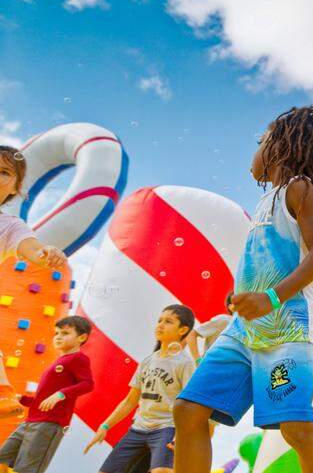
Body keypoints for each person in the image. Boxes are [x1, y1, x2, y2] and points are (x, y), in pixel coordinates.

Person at [173, 106, 313, 473]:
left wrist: (269, 298)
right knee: (188, 411)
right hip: (243, 330)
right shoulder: (268, 199)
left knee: (296, 429)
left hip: (286, 326)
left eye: (260, 142)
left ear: (280, 146)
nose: (254, 151)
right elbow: (264, 264)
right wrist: (243, 297)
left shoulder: (300, 188)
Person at [0, 145, 69, 418]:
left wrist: (45, 254)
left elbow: (30, 247)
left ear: (16, 188)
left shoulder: (9, 226)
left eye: (4, 172)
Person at [85, 305, 196, 473]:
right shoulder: (147, 361)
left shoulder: (185, 363)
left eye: (168, 322)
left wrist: (181, 436)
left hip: (166, 428)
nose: (160, 325)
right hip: (139, 428)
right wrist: (105, 426)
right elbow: (130, 401)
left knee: (162, 471)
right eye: (159, 320)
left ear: (183, 330)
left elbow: (190, 405)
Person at [0, 316, 93, 473]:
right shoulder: (58, 362)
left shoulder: (78, 358)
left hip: (49, 424)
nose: (58, 337)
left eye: (64, 333)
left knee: (27, 468)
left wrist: (61, 394)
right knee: (3, 457)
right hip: (30, 421)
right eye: (56, 333)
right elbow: (43, 400)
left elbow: (88, 384)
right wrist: (22, 399)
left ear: (82, 337)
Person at [186, 292, 234, 362]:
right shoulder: (224, 320)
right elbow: (192, 334)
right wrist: (198, 360)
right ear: (231, 307)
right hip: (211, 367)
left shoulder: (251, 328)